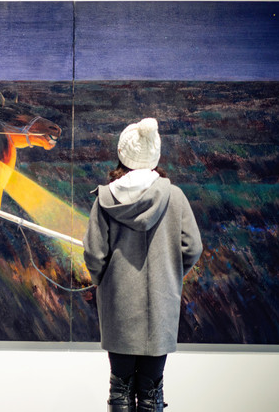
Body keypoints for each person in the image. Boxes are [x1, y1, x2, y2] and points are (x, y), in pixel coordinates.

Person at [83, 118, 203, 412]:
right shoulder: (174, 196)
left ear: (122, 153)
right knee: (151, 391)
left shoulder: (105, 199)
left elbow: (94, 254)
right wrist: (171, 274)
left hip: (118, 306)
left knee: (120, 388)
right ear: (154, 154)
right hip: (161, 307)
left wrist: (105, 282)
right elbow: (193, 247)